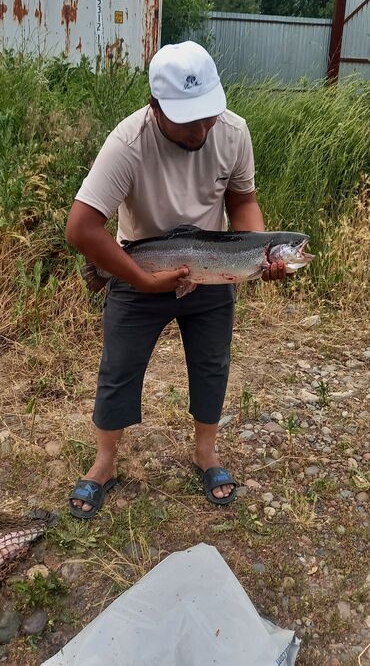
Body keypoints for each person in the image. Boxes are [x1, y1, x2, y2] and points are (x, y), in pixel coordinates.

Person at [66, 40, 286, 519]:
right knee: (119, 368)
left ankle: (205, 452)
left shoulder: (232, 132)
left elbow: (242, 201)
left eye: (208, 115)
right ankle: (104, 463)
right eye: (189, 120)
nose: (202, 129)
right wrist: (141, 281)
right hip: (137, 270)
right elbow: (81, 226)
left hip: (210, 273)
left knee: (212, 365)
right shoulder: (128, 142)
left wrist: (257, 250)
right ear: (155, 106)